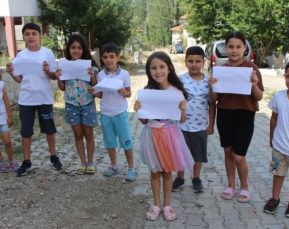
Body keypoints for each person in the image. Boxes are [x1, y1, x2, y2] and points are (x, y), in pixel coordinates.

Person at [134, 51, 194, 221]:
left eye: (161, 67)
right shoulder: (147, 92)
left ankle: (167, 205)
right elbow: (144, 121)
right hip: (152, 135)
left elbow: (181, 120)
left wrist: (182, 109)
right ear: (149, 71)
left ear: (169, 69)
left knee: (167, 172)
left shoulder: (177, 92)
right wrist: (139, 109)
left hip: (170, 135)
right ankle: (156, 204)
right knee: (154, 171)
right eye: (153, 68)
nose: (158, 71)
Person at [208, 31, 264, 202]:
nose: (234, 50)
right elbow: (214, 99)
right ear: (226, 48)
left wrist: (254, 84)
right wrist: (212, 87)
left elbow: (259, 96)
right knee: (228, 152)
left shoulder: (251, 69)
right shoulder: (220, 70)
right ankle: (231, 185)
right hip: (225, 114)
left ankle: (245, 187)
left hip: (245, 115)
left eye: (238, 47)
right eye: (231, 47)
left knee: (239, 156)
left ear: (244, 48)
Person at [6, 23, 62, 176]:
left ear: (40, 36)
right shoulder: (21, 55)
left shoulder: (47, 53)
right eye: (27, 34)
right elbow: (19, 79)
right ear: (23, 37)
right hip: (26, 100)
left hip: (44, 98)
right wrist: (11, 73)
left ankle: (53, 156)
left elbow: (52, 77)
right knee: (26, 131)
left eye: (33, 33)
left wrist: (47, 71)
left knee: (49, 129)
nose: (30, 36)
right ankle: (26, 160)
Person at [172, 46, 216, 193]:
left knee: (198, 154)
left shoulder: (209, 82)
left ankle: (196, 178)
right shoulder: (180, 80)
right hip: (182, 125)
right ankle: (180, 177)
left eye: (198, 61)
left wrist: (211, 125)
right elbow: (174, 102)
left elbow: (212, 103)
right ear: (186, 62)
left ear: (203, 62)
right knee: (181, 152)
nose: (194, 64)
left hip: (201, 126)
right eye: (191, 61)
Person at [263, 58, 289, 218]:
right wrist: (271, 137)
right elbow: (273, 118)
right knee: (278, 173)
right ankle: (275, 198)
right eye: (288, 76)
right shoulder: (279, 96)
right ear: (284, 77)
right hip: (279, 146)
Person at [57, 34, 98, 175]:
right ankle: (83, 163)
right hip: (71, 105)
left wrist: (92, 75)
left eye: (79, 48)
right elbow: (62, 88)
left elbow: (94, 85)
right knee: (78, 135)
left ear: (83, 49)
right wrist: (59, 77)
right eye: (73, 47)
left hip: (88, 105)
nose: (76, 50)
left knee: (89, 135)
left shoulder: (89, 65)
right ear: (68, 49)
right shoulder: (64, 65)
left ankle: (91, 163)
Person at [94, 43, 135, 181]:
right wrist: (93, 93)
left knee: (126, 141)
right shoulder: (100, 75)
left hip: (120, 113)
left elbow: (129, 93)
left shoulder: (124, 74)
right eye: (105, 57)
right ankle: (113, 165)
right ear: (102, 59)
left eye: (112, 56)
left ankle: (131, 168)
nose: (108, 60)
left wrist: (125, 92)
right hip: (106, 113)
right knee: (110, 142)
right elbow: (101, 94)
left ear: (117, 57)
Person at [0, 71, 18, 172]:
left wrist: (10, 116)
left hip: (3, 119)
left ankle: (11, 161)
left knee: (7, 141)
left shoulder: (1, 85)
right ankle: (1, 162)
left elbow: (7, 102)